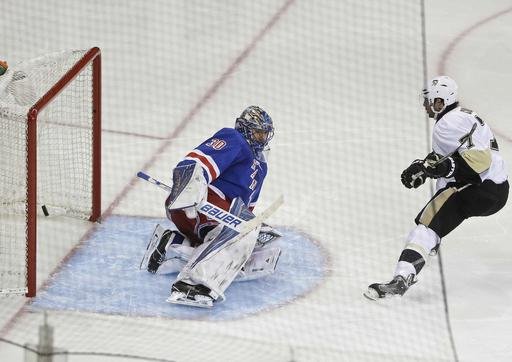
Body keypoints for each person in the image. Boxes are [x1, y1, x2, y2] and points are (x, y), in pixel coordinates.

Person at [364, 76, 509, 300]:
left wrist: (439, 168)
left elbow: (479, 162)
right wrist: (424, 168)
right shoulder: (461, 116)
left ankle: (402, 277)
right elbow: (454, 158)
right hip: (496, 188)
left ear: (440, 101)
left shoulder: (447, 124)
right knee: (437, 212)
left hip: (477, 189)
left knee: (426, 226)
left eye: (429, 100)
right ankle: (429, 246)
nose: (425, 105)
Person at [140, 106, 281, 307]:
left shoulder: (261, 166)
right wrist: (189, 189)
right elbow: (195, 162)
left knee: (248, 240)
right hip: (201, 203)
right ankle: (193, 286)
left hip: (213, 217)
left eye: (265, 134)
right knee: (239, 234)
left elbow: (246, 208)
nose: (262, 138)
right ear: (247, 129)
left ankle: (172, 245)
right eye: (258, 133)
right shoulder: (235, 139)